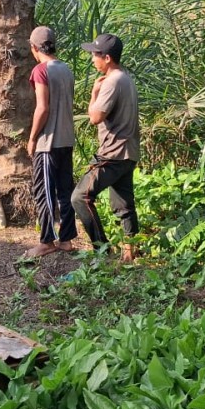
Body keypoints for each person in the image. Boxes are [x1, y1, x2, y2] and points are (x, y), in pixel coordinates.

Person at [71, 33, 140, 257]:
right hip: (128, 152)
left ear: (107, 58)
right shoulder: (126, 78)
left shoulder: (111, 82)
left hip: (112, 153)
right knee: (124, 204)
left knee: (80, 197)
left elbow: (95, 117)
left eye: (95, 54)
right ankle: (129, 252)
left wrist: (94, 93)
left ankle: (102, 250)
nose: (93, 59)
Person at [23, 26, 77, 258]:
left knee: (44, 191)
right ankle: (66, 239)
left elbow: (42, 108)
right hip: (66, 139)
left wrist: (32, 138)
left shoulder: (40, 71)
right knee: (65, 191)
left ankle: (46, 241)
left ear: (34, 48)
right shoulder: (66, 69)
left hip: (48, 142)